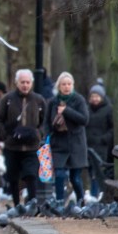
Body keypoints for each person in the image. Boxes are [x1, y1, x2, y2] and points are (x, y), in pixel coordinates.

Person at [0, 69, 46, 207]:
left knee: (31, 175)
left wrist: (38, 134)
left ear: (32, 83)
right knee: (13, 177)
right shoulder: (7, 99)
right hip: (12, 147)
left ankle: (32, 205)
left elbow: (45, 122)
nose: (25, 85)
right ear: (17, 83)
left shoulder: (39, 100)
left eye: (28, 82)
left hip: (31, 146)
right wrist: (5, 136)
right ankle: (16, 205)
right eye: (22, 82)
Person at [45, 72, 89, 203]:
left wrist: (66, 111)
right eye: (64, 84)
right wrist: (47, 138)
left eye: (69, 84)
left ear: (73, 85)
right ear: (59, 86)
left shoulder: (79, 100)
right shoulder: (52, 102)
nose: (66, 87)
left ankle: (81, 202)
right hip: (58, 143)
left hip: (76, 144)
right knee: (59, 175)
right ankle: (59, 203)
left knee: (75, 178)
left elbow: (84, 120)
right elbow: (46, 122)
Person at [86, 84, 114, 198]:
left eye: (97, 96)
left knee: (98, 172)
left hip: (102, 146)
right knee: (90, 171)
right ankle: (92, 195)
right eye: (93, 96)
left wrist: (104, 139)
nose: (95, 99)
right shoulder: (87, 109)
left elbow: (112, 128)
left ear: (102, 97)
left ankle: (98, 194)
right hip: (88, 145)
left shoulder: (108, 109)